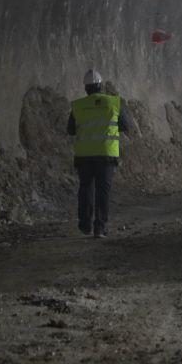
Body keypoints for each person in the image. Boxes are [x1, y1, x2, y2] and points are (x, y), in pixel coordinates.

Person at [67, 69, 129, 238]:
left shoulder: (78, 106)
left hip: (84, 155)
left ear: (86, 88)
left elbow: (70, 130)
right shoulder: (113, 103)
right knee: (103, 190)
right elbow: (125, 125)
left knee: (85, 187)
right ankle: (99, 228)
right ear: (101, 86)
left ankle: (85, 224)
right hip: (106, 155)